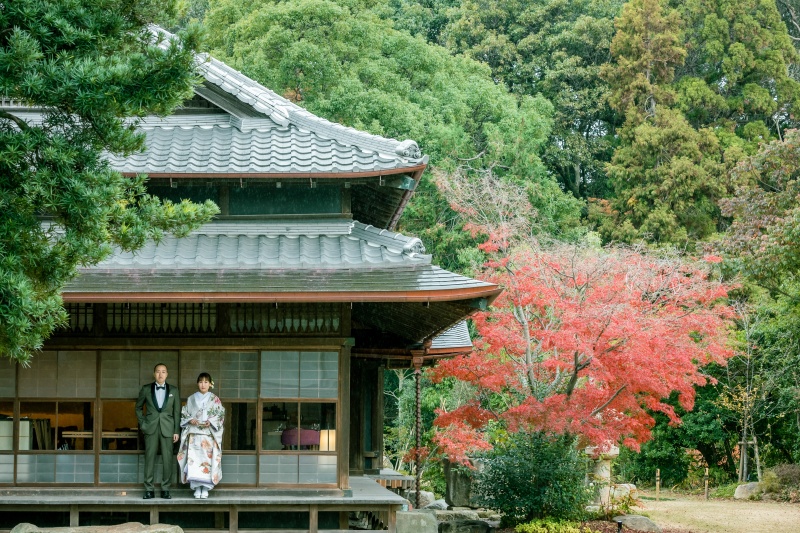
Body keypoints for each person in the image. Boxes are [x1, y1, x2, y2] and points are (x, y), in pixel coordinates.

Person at [135, 363, 181, 499]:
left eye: (163, 372)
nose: (160, 374)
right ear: (154, 374)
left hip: (168, 428)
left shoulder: (174, 390)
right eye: (158, 372)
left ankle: (165, 489)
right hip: (150, 427)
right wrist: (143, 424)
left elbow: (177, 412)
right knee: (149, 458)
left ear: (167, 374)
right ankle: (148, 489)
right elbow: (138, 408)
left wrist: (176, 431)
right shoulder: (146, 389)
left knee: (168, 459)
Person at [177, 372, 225, 499]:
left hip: (208, 435)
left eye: (206, 382)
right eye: (200, 382)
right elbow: (184, 413)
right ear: (197, 383)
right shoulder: (191, 398)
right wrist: (190, 419)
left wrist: (212, 421)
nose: (203, 385)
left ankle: (206, 488)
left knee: (207, 461)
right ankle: (197, 488)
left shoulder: (215, 399)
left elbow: (220, 415)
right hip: (194, 434)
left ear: (210, 384)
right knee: (194, 461)